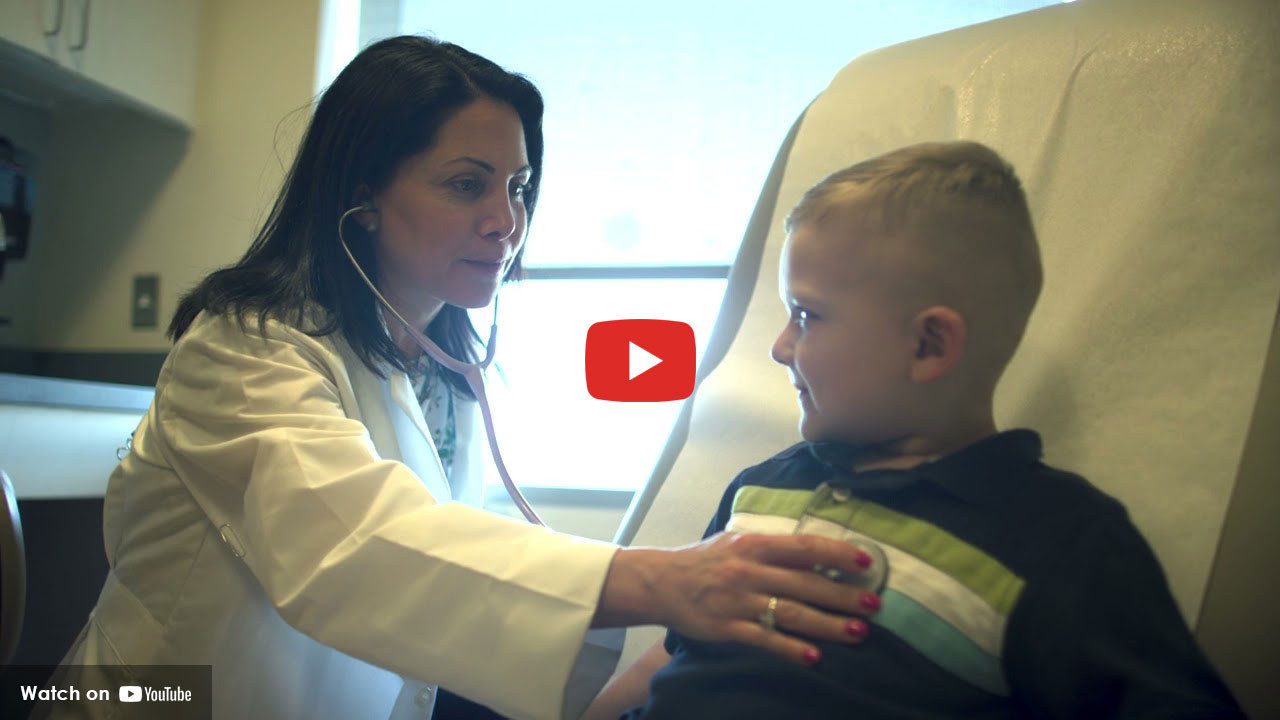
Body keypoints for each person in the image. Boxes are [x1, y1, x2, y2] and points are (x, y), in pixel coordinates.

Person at [36, 36, 882, 720]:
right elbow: (354, 545)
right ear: (361, 195)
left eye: (517, 186)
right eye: (466, 185)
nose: (507, 220)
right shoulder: (243, 351)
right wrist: (666, 579)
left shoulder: (445, 363)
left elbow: (437, 586)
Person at [586, 141, 1245, 719]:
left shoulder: (1063, 539)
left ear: (928, 344)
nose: (781, 347)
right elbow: (668, 660)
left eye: (807, 316)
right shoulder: (760, 489)